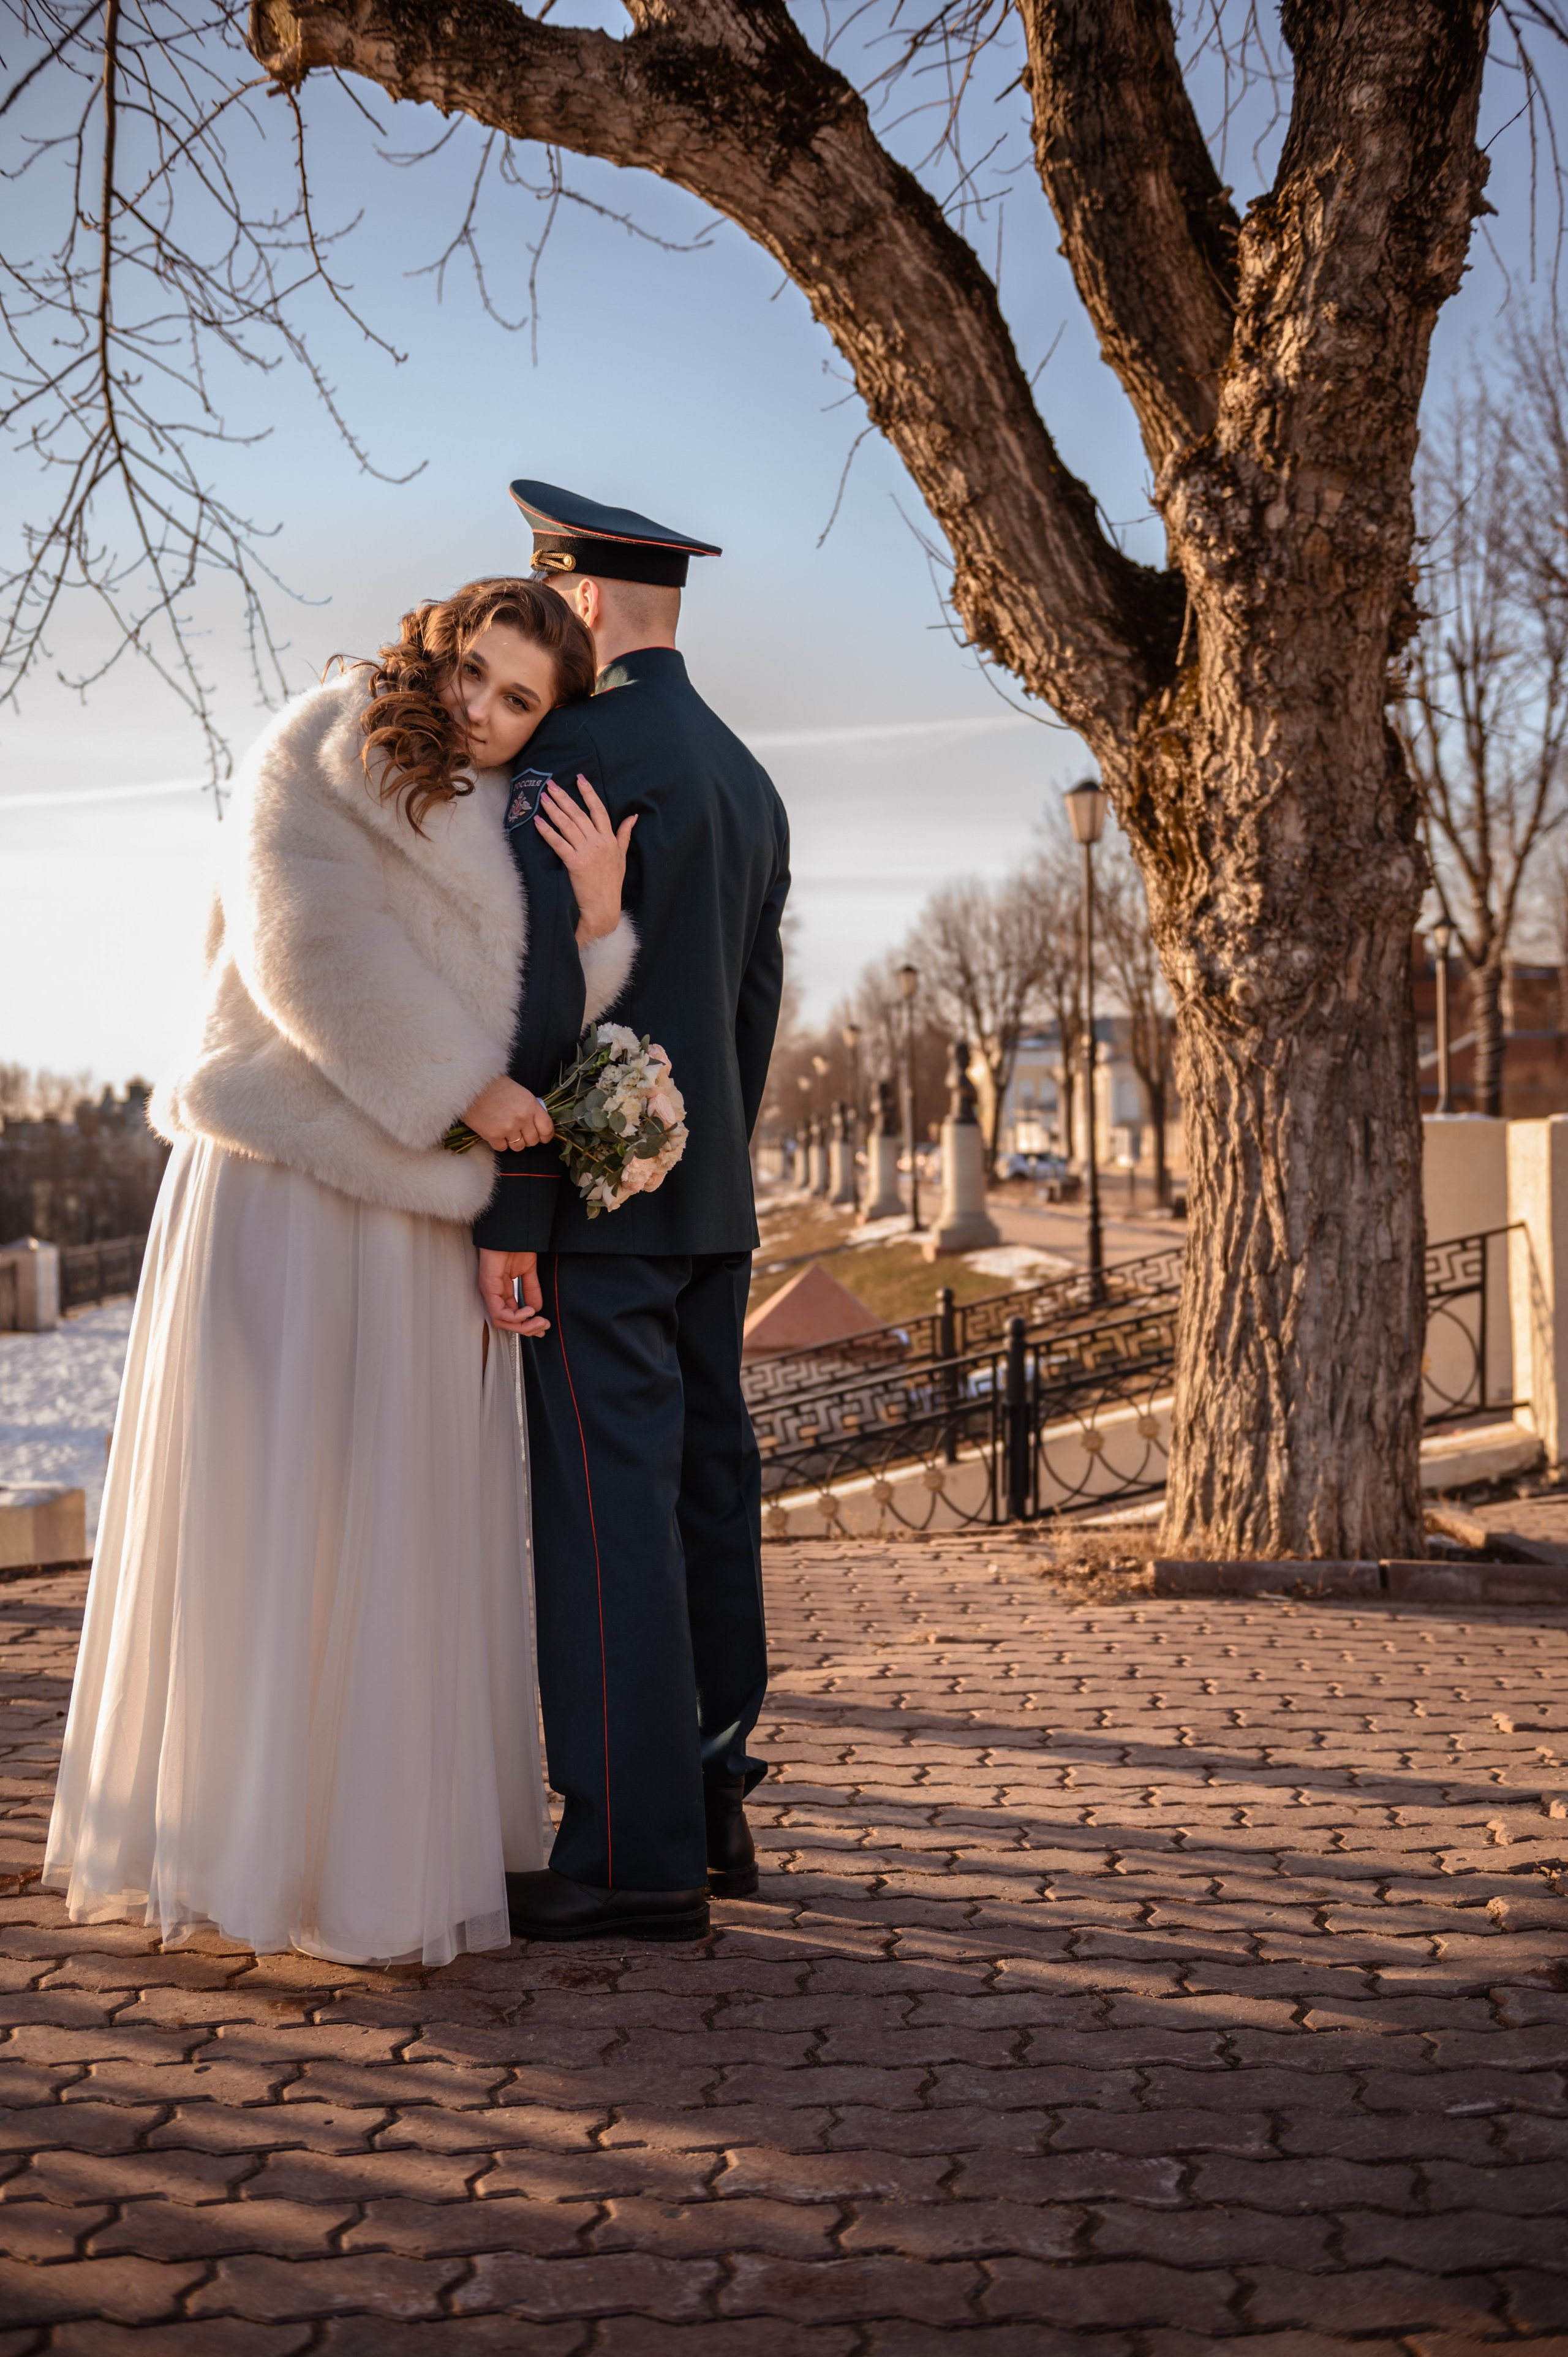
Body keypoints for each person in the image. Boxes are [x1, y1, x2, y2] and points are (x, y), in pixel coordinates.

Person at [43, 578, 638, 1968]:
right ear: (435, 648)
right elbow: (309, 951)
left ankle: (370, 1861)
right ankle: (241, 1845)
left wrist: (599, 922)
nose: (481, 714)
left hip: (420, 1197)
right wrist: (466, 1090)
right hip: (287, 1173)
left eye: (517, 701)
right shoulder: (311, 746)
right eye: (473, 676)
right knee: (277, 1500)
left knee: (397, 1519)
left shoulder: (510, 818)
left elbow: (532, 1008)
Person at [475, 481, 791, 1944]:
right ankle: (713, 1797)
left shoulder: (573, 754)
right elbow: (747, 1016)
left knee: (608, 1527)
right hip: (712, 1203)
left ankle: (629, 1854)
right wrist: (708, 1159)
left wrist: (519, 1207)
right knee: (704, 1505)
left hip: (601, 1210)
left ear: (580, 602)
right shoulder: (746, 774)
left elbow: (541, 997)